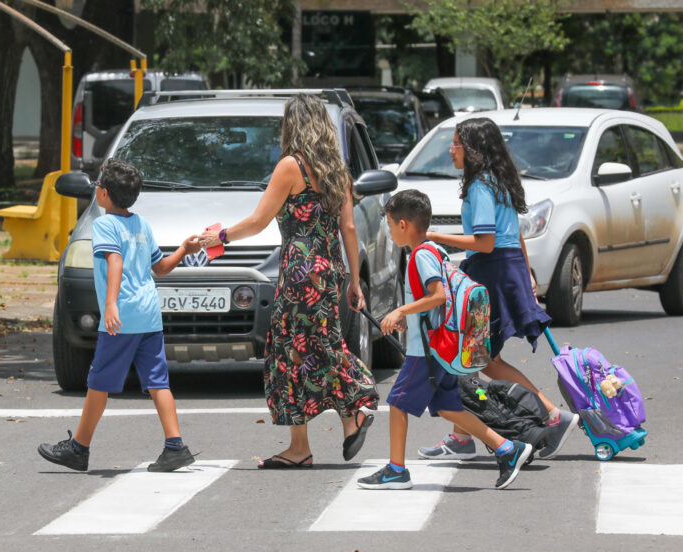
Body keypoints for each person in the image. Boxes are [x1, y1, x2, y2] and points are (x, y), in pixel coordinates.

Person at [198, 94, 378, 469]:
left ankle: (356, 402)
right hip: (328, 271)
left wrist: (222, 237)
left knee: (291, 351)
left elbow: (259, 220)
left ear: (292, 125)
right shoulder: (336, 169)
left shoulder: (290, 166)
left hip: (298, 273)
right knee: (311, 346)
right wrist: (355, 280)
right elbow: (348, 226)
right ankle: (338, 426)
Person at [419, 117, 580, 461]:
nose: (451, 150)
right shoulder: (497, 181)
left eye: (457, 144)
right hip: (502, 271)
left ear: (474, 150)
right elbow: (515, 236)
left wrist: (432, 236)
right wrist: (526, 273)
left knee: (483, 360)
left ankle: (552, 414)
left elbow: (486, 242)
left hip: (490, 273)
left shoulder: (481, 187)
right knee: (470, 359)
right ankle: (462, 438)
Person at [358, 189, 533, 490]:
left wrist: (401, 310)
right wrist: (408, 320)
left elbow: (437, 296)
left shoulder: (420, 256)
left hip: (425, 352)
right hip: (438, 346)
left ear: (403, 225)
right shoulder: (434, 250)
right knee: (448, 406)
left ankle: (396, 470)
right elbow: (436, 301)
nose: (389, 231)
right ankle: (507, 448)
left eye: (389, 225)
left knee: (398, 404)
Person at [37, 158, 202, 473]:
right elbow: (161, 268)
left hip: (123, 316)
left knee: (99, 382)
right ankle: (175, 445)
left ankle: (78, 448)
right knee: (158, 382)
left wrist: (110, 304)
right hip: (149, 315)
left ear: (103, 194)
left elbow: (114, 262)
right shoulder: (141, 224)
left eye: (99, 184)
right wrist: (184, 249)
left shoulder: (104, 225)